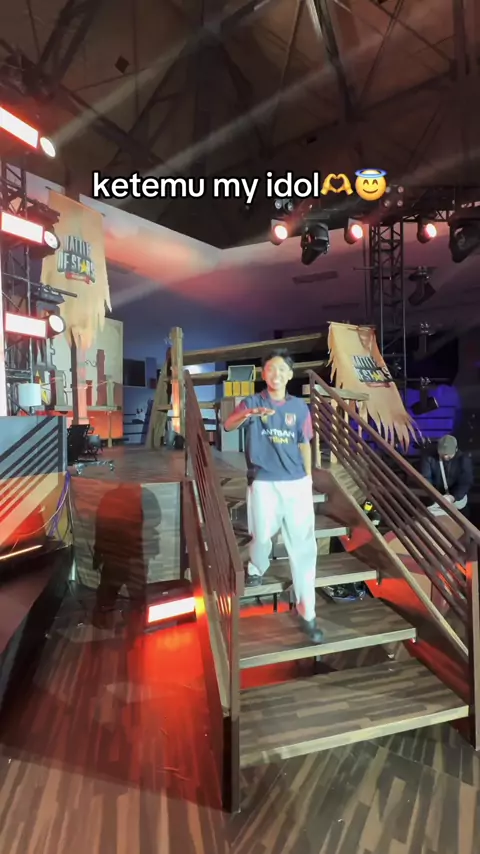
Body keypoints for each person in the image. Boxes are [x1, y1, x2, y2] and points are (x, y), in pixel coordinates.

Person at [223, 349, 323, 644]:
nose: (276, 374)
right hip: (264, 482)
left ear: (290, 375)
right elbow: (228, 425)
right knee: (262, 535)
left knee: (304, 549)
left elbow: (304, 443)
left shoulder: (300, 407)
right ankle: (257, 566)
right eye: (270, 369)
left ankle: (308, 613)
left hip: (296, 483)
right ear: (263, 374)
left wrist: (308, 478)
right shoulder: (252, 402)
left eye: (281, 369)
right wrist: (248, 414)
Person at [421, 434, 473, 515]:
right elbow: (426, 478)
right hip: (435, 497)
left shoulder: (464, 460)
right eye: (442, 453)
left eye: (449, 454)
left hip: (456, 499)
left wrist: (453, 497)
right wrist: (434, 495)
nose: (445, 456)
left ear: (456, 449)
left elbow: (465, 482)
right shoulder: (429, 457)